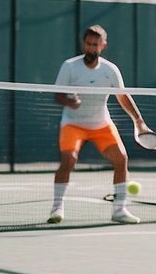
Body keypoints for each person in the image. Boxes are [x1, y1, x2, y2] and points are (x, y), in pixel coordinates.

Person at [48, 24, 148, 225]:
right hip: (73, 123)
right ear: (83, 44)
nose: (91, 48)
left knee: (121, 158)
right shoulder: (69, 66)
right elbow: (58, 95)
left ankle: (119, 209)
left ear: (103, 46)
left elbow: (122, 96)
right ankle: (57, 207)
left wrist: (138, 120)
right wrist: (71, 102)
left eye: (95, 45)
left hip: (101, 123)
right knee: (69, 160)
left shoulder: (110, 70)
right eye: (88, 44)